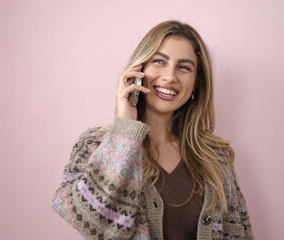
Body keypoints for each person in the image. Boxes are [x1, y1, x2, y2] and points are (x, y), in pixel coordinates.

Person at [52, 20, 254, 240]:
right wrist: (124, 132)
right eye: (159, 61)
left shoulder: (215, 157)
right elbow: (85, 218)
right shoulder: (96, 145)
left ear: (195, 84)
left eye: (184, 67)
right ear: (138, 69)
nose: (169, 76)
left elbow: (240, 233)